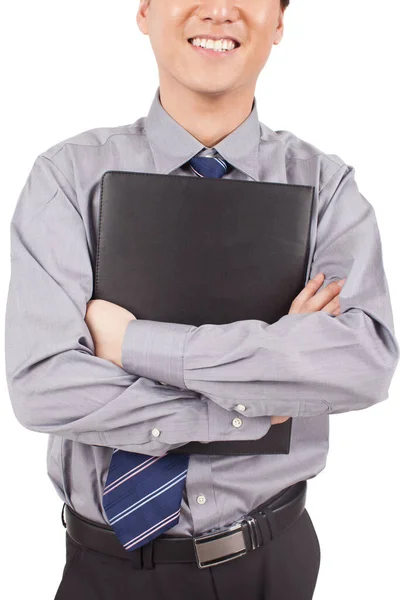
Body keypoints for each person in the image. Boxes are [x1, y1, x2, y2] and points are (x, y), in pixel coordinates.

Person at [4, 0, 399, 599]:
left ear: (281, 22)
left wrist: (132, 344)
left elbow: (362, 364)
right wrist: (251, 407)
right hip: (104, 572)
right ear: (144, 11)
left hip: (272, 560)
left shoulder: (325, 188)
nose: (219, 10)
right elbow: (42, 385)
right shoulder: (68, 178)